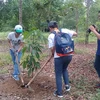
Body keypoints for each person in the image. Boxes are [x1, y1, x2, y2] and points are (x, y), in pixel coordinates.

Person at [48, 21, 77, 98]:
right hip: (69, 54)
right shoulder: (65, 30)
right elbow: (75, 34)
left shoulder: (51, 35)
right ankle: (67, 86)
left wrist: (53, 52)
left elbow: (52, 49)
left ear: (50, 28)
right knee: (64, 69)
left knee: (58, 74)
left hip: (59, 57)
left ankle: (59, 93)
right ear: (57, 26)